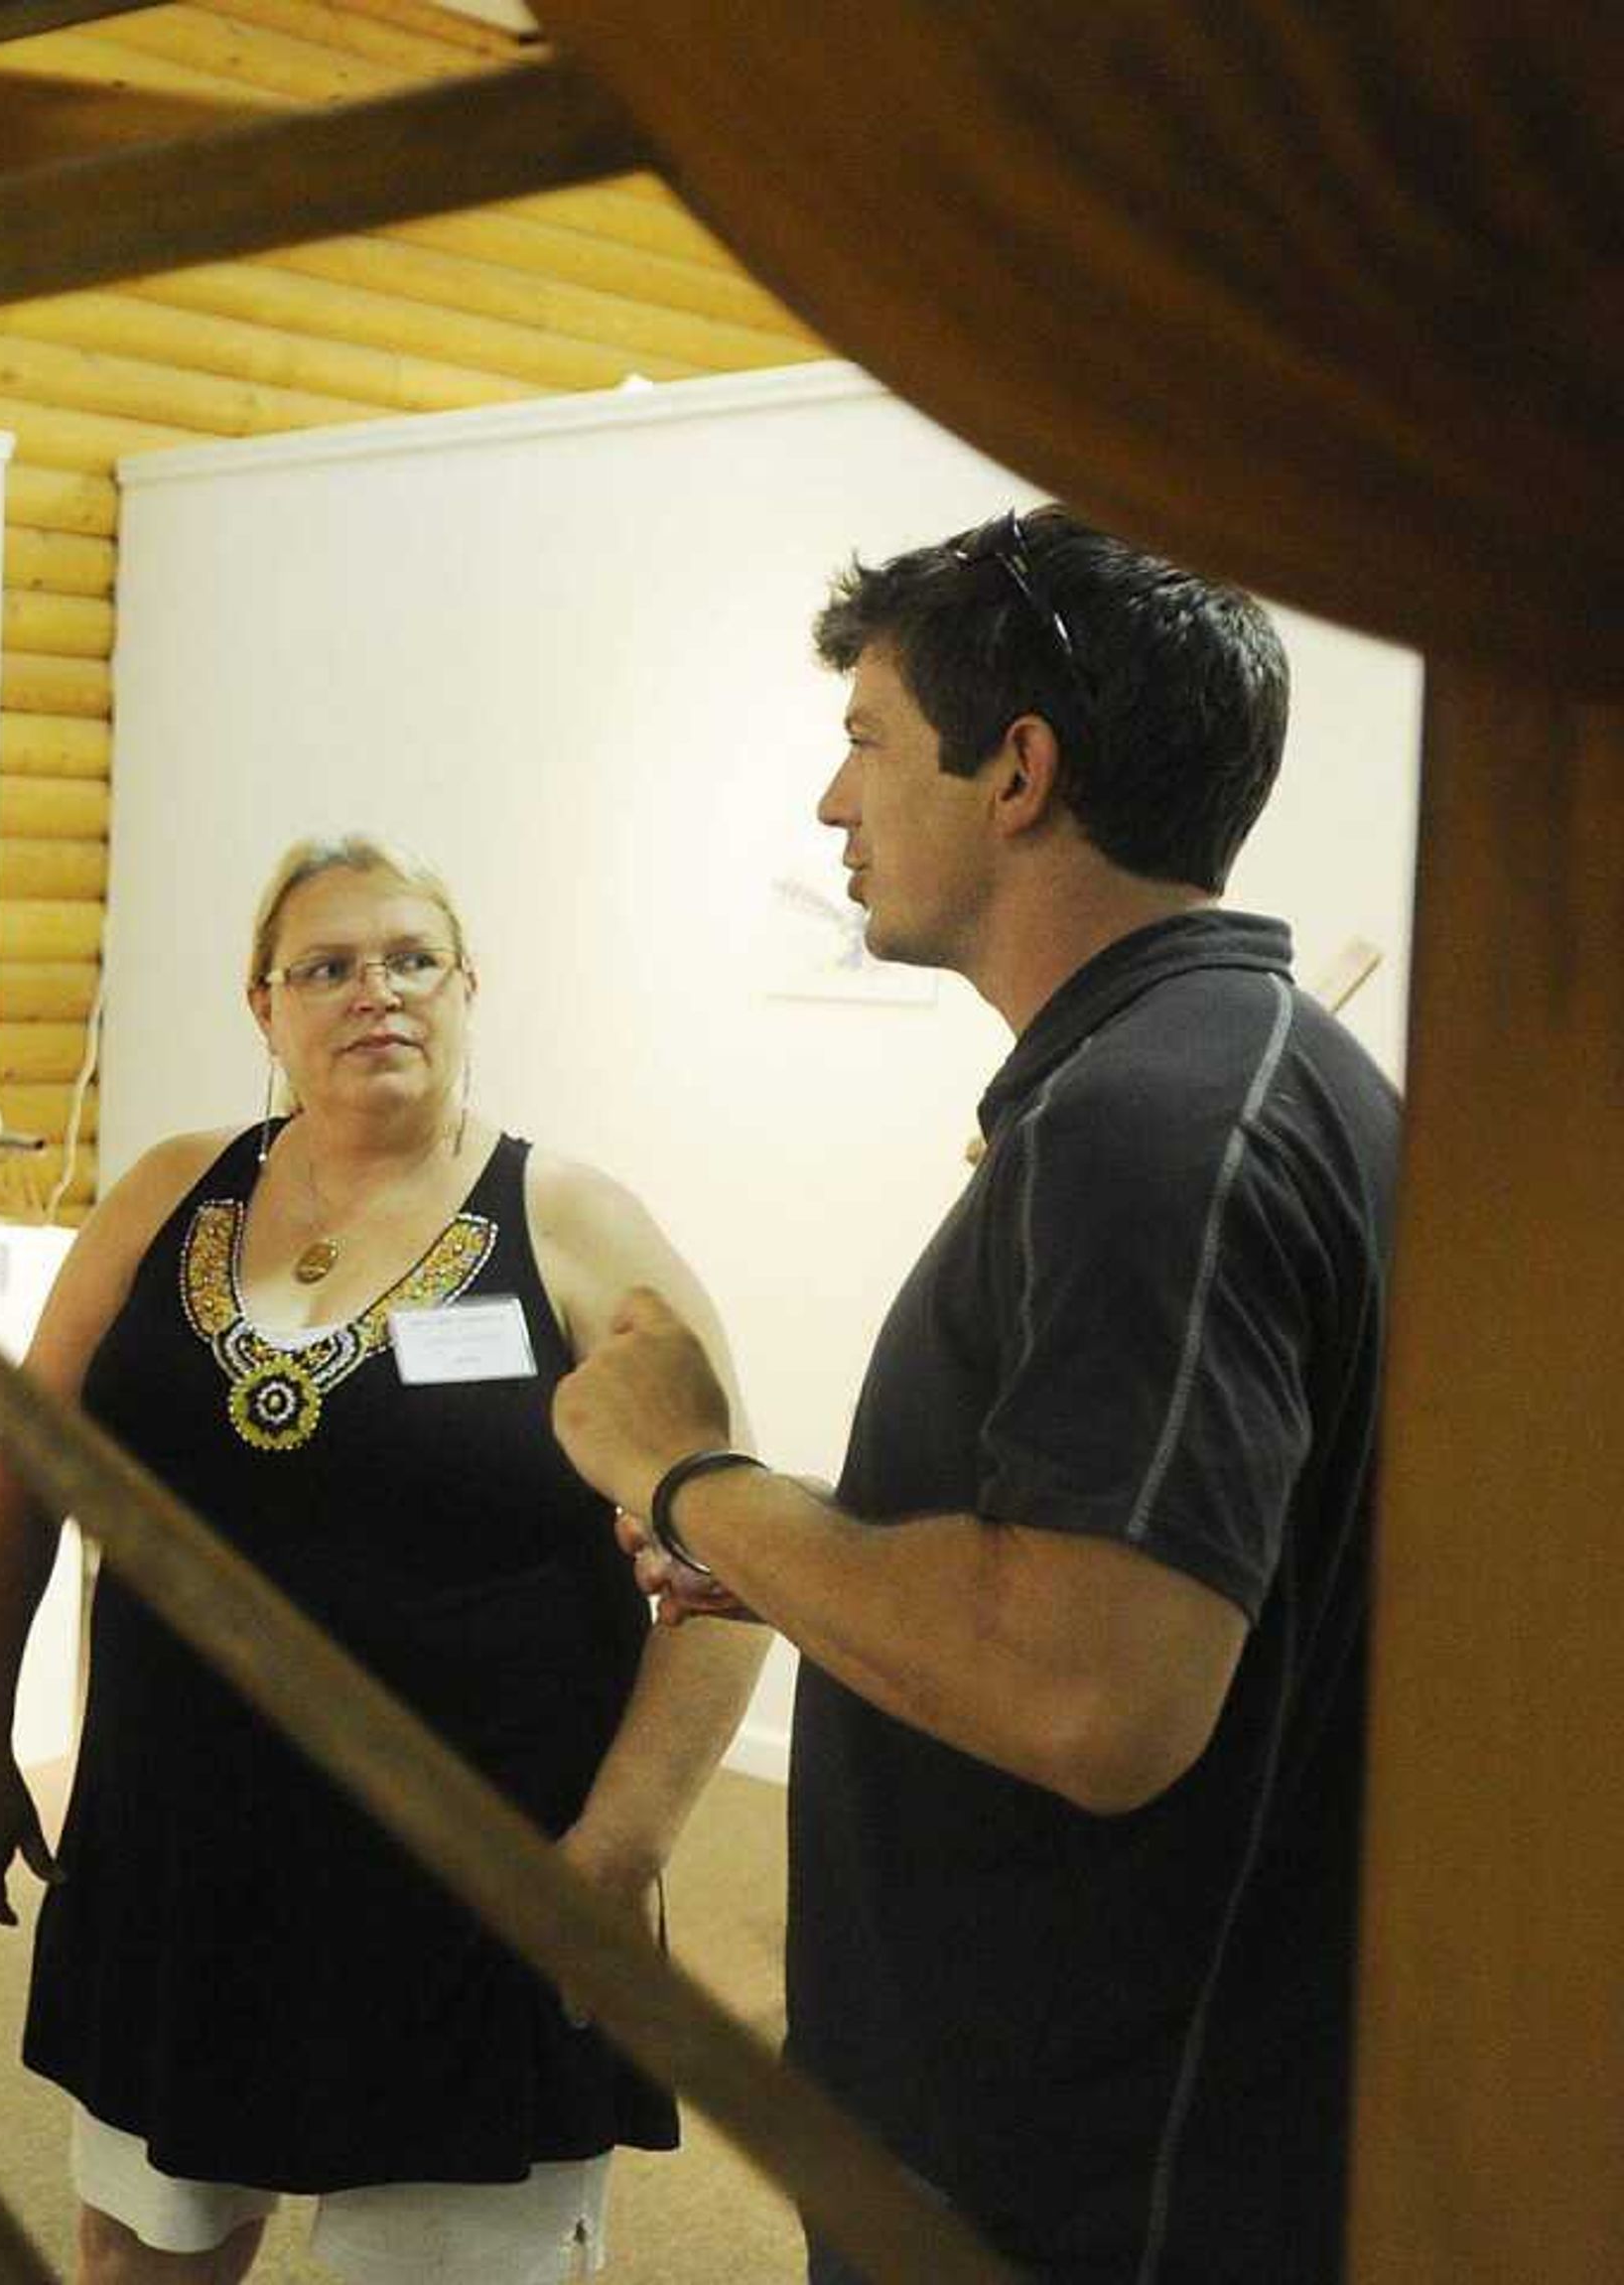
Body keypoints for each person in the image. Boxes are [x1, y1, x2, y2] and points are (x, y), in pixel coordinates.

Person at [551, 508, 1397, 2283]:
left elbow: (1093, 1688)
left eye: (864, 738)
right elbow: (1071, 1564)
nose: (831, 804)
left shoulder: (1152, 1130)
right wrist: (789, 1553)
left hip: (1093, 2177)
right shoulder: (1211, 1078)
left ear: (1015, 770)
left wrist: (693, 1474)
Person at [0, 834, 768, 2285]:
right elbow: (25, 1465)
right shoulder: (166, 1191)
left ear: (468, 988)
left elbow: (734, 1563)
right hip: (183, 1859)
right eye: (325, 966)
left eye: (409, 960)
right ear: (262, 1005)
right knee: (146, 2252)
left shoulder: (571, 1224)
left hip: (472, 1889)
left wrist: (617, 1851)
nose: (371, 992)